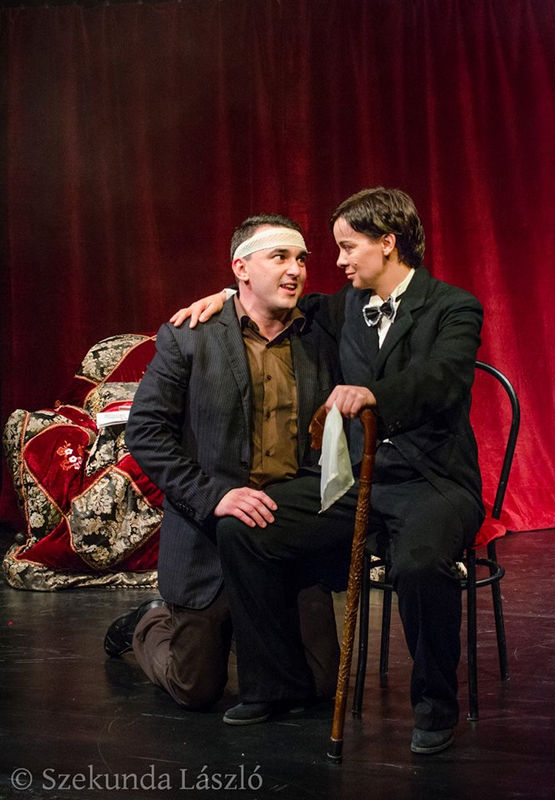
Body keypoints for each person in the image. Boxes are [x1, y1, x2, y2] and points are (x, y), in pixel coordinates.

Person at [173, 187, 484, 754]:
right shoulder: (344, 306)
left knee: (419, 565)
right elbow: (271, 298)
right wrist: (226, 295)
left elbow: (443, 377)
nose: (337, 261)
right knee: (245, 527)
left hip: (431, 483)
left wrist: (374, 394)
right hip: (355, 483)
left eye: (348, 246)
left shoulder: (454, 306)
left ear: (387, 243)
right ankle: (274, 686)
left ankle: (435, 704)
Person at [103, 214, 353, 712]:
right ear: (241, 268)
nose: (296, 270)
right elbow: (146, 432)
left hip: (283, 535)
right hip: (210, 539)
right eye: (279, 257)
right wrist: (214, 496)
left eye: (301, 259)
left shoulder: (319, 335)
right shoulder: (190, 335)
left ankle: (249, 633)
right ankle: (147, 623)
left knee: (321, 682)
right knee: (195, 688)